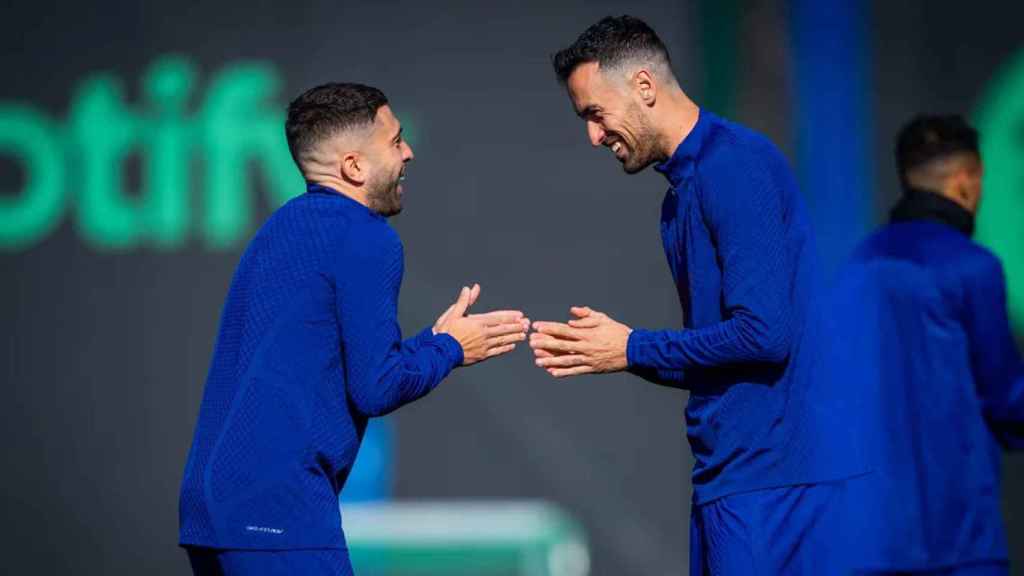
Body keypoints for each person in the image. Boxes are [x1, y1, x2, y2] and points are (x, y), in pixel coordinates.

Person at [530, 15, 866, 574]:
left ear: (644, 87)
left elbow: (764, 335)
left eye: (595, 113)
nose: (593, 135)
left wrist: (632, 347)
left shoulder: (733, 166)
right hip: (733, 480)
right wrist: (616, 352)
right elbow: (719, 353)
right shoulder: (680, 194)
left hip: (777, 486)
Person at [178, 82, 530, 575]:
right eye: (395, 140)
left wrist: (434, 341)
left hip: (210, 513)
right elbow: (376, 387)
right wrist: (450, 349)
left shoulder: (277, 230)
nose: (408, 152)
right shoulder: (366, 237)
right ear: (354, 167)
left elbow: (339, 364)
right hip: (277, 514)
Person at [828, 115, 1024, 575]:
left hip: (873, 542)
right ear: (965, 182)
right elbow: (1007, 399)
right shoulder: (974, 269)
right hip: (959, 542)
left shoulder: (854, 266)